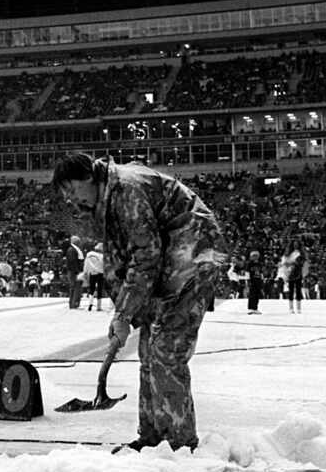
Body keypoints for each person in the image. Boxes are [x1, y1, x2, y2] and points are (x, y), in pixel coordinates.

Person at [52, 153, 227, 453]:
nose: (71, 200)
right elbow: (125, 258)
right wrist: (130, 311)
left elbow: (146, 258)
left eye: (71, 190)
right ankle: (152, 438)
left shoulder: (126, 192)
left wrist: (122, 314)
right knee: (148, 349)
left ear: (88, 178)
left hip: (192, 257)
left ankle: (180, 444)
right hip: (172, 262)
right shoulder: (110, 194)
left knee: (165, 352)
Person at [282, 240, 306, 314]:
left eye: (297, 244)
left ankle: (299, 308)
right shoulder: (288, 253)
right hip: (290, 272)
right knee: (291, 290)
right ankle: (291, 308)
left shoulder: (301, 253)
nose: (295, 245)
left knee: (298, 290)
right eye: (294, 244)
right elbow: (284, 262)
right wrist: (289, 266)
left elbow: (304, 262)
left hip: (298, 272)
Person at [83, 242, 105, 311]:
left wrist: (85, 272)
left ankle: (90, 304)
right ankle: (99, 306)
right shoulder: (101, 256)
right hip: (100, 273)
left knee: (91, 289)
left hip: (92, 273)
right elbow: (103, 265)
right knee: (99, 289)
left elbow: (86, 264)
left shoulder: (89, 254)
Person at [65, 235, 84, 309]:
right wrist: (77, 271)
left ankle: (74, 303)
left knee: (76, 287)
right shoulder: (72, 250)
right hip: (73, 272)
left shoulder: (74, 249)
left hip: (74, 271)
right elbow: (73, 262)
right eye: (78, 242)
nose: (79, 243)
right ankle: (73, 304)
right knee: (75, 287)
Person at [245, 250, 264, 315]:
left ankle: (255, 308)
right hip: (252, 281)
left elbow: (261, 273)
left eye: (256, 256)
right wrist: (248, 281)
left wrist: (262, 280)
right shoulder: (249, 264)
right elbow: (247, 273)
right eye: (253, 256)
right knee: (252, 295)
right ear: (251, 257)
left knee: (257, 295)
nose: (255, 257)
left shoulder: (260, 264)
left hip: (258, 281)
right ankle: (250, 308)